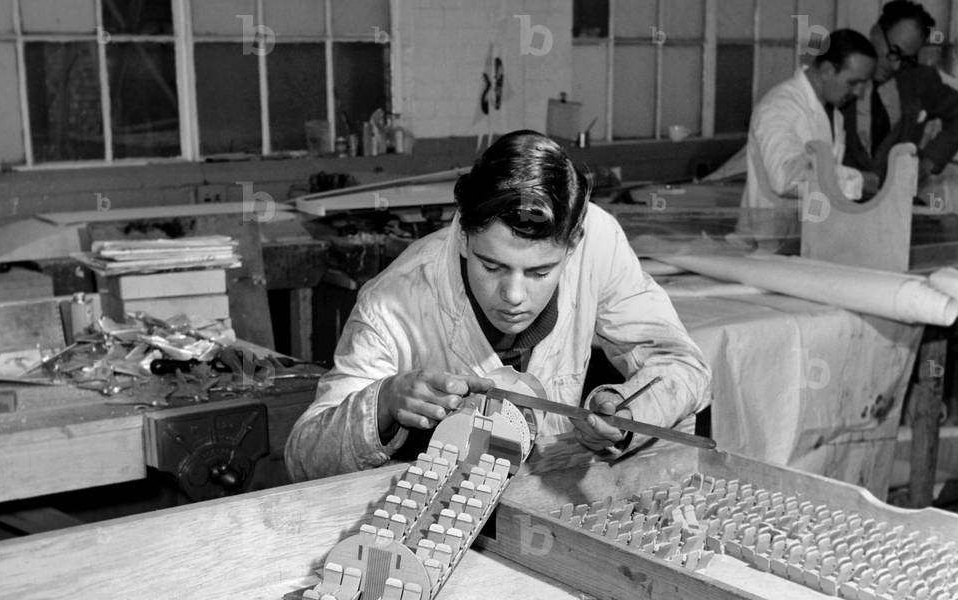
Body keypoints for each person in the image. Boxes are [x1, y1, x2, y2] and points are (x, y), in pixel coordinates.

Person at [284, 130, 711, 482]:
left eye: (540, 272)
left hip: (554, 502)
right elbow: (303, 456)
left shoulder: (597, 240)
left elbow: (683, 367)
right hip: (447, 516)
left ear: (573, 244)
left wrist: (628, 409)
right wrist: (384, 404)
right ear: (466, 236)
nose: (514, 295)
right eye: (492, 266)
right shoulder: (393, 301)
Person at [742, 29, 877, 209]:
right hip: (768, 232)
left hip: (809, 231)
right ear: (827, 70)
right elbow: (785, 178)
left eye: (864, 84)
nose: (859, 93)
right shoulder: (778, 106)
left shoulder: (834, 113)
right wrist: (857, 181)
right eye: (853, 83)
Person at [841, 0, 958, 190]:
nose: (896, 65)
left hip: (897, 203)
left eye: (907, 59)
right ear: (875, 33)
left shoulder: (920, 81)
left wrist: (929, 162)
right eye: (893, 51)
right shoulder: (839, 75)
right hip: (842, 201)